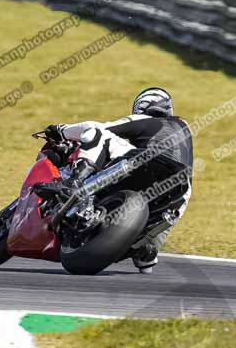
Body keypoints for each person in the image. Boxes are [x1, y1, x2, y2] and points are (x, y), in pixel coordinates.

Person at [45, 88, 193, 273]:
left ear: (142, 106)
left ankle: (75, 181)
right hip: (179, 190)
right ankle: (144, 250)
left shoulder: (144, 120)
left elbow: (97, 128)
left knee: (96, 133)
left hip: (146, 163)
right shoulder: (185, 130)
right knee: (147, 259)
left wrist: (61, 130)